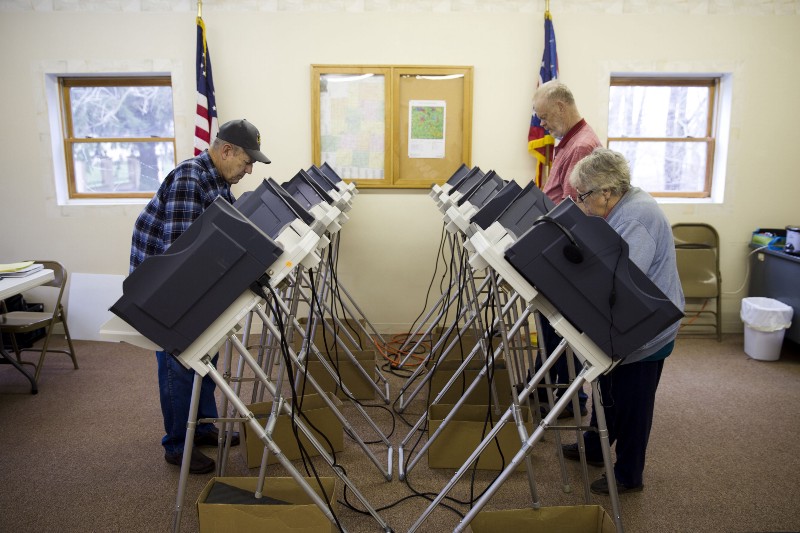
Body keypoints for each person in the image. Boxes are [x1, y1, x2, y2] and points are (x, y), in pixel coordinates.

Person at [129, 119, 271, 474]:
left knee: (204, 355)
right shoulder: (190, 179)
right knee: (179, 363)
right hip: (163, 290)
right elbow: (180, 255)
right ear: (226, 151)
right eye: (247, 161)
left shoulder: (218, 180)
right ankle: (178, 445)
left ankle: (204, 426)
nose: (249, 170)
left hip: (189, 284)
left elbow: (228, 232)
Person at [561, 147, 685, 494]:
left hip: (648, 328)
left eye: (584, 197)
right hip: (632, 321)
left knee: (634, 402)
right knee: (609, 387)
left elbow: (624, 278)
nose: (582, 205)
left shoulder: (636, 216)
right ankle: (596, 447)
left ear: (606, 191)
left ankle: (630, 473)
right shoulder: (624, 205)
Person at [531, 80, 602, 417]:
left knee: (562, 328)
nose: (542, 125)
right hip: (556, 243)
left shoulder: (580, 147)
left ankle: (570, 397)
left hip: (566, 248)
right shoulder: (569, 142)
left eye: (545, 117)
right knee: (551, 323)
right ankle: (545, 385)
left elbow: (576, 209)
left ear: (560, 106)